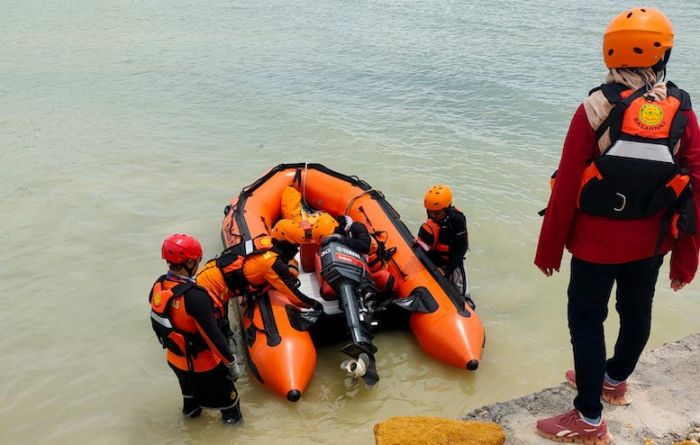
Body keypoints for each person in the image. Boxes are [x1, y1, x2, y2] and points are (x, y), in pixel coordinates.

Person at [534, 8, 700, 444]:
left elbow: (568, 180)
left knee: (587, 321)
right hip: (651, 242)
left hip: (594, 244)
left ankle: (588, 418)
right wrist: (686, 257)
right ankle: (614, 380)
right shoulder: (681, 109)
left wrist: (548, 250)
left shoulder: (596, 106)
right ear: (665, 52)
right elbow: (694, 185)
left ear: (610, 51)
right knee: (637, 311)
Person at [148, 234, 242, 425]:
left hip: (176, 362)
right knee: (230, 409)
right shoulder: (195, 297)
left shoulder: (158, 286)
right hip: (205, 367)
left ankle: (189, 432)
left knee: (191, 405)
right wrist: (231, 364)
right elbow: (213, 337)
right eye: (198, 261)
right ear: (190, 263)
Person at [417, 184, 470, 298]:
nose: (433, 216)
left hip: (452, 261)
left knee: (462, 294)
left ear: (447, 208)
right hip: (435, 257)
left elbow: (462, 248)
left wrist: (447, 269)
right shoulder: (433, 213)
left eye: (436, 213)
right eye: (430, 212)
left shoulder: (457, 220)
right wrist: (420, 242)